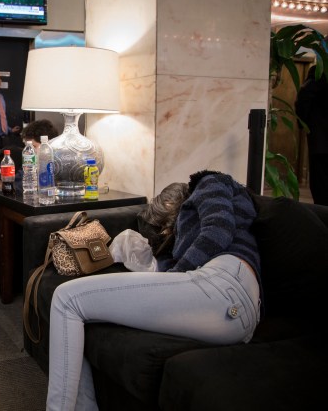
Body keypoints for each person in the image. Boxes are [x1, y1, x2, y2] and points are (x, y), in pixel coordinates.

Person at [46, 170, 262, 411]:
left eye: (165, 227)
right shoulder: (186, 242)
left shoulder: (210, 181)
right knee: (83, 311)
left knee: (66, 299)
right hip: (226, 306)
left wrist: (174, 274)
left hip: (224, 283)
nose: (165, 233)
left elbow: (218, 229)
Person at [295, 65, 328, 206]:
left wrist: (305, 123)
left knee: (322, 190)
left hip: (322, 142)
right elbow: (304, 95)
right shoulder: (322, 69)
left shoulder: (323, 68)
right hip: (322, 143)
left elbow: (304, 94)